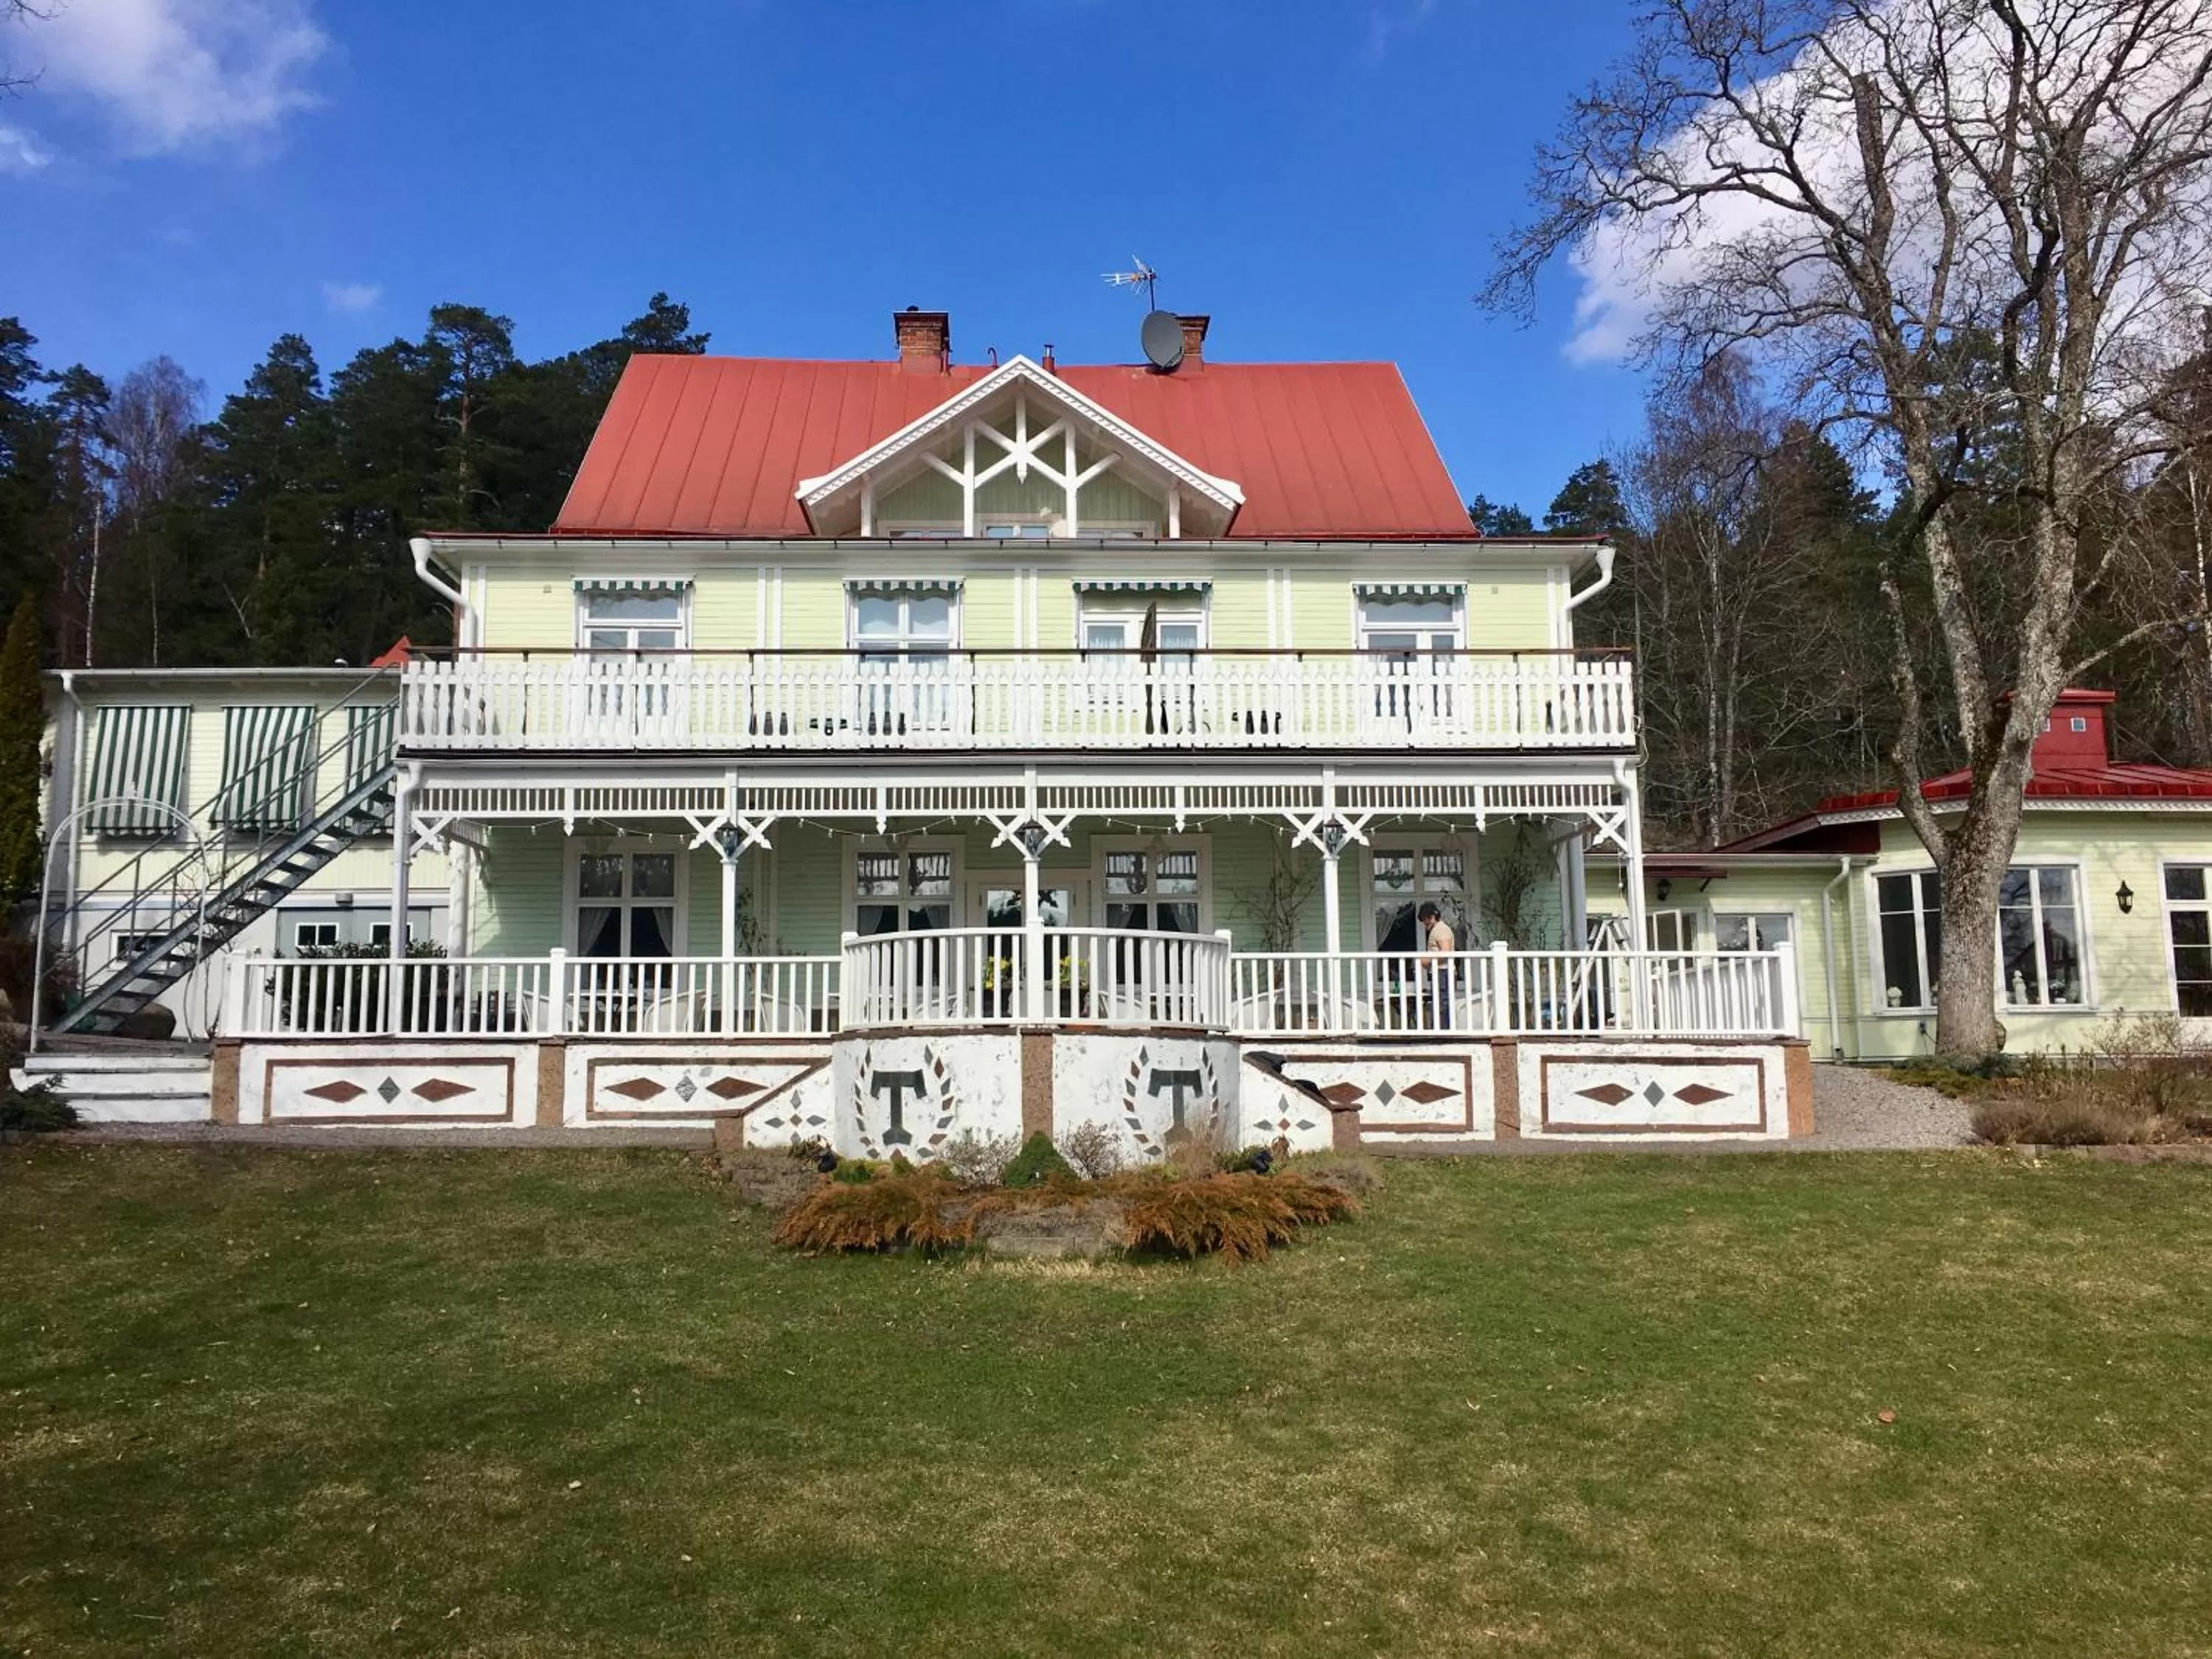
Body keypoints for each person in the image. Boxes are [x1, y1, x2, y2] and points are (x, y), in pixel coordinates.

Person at [1417, 902, 1458, 1027]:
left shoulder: (1441, 930)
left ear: (1435, 916)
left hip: (1443, 973)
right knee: (1440, 1004)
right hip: (1440, 972)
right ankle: (1440, 1031)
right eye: (1424, 919)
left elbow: (1445, 952)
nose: (1426, 922)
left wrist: (1426, 961)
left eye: (1428, 918)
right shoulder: (1437, 930)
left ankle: (1443, 1033)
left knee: (1442, 1006)